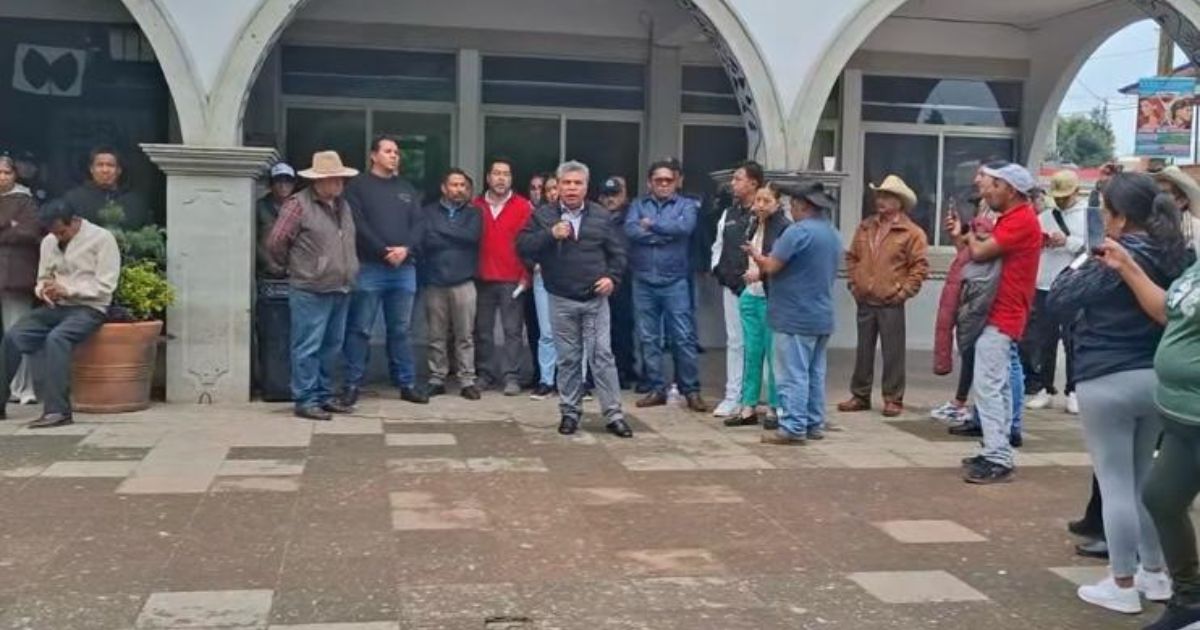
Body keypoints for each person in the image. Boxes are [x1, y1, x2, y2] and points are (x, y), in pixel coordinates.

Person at [1047, 172, 1190, 615]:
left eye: (1106, 211)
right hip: (1156, 378)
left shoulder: (1112, 257)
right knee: (1144, 478)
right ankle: (1156, 572)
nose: (1104, 219)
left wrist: (1084, 256)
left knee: (1114, 484)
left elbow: (1059, 299)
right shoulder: (1176, 254)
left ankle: (1122, 582)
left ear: (1122, 218)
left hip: (1106, 377)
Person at [1095, 228, 1200, 630]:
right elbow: (1167, 310)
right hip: (1180, 416)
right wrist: (1127, 266)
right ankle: (1189, 599)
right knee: (1161, 498)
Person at [517, 160, 631, 438]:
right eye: (566, 183)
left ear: (586, 187)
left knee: (602, 356)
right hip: (561, 298)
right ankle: (570, 412)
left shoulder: (601, 216)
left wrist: (612, 279)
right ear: (557, 186)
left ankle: (614, 414)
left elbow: (619, 254)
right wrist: (549, 234)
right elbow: (522, 245)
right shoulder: (543, 215)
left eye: (577, 183)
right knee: (568, 359)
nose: (571, 188)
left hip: (595, 299)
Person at [0, 198, 118, 428]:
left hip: (90, 308)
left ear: (74, 221)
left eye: (62, 232)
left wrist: (68, 289)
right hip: (57, 306)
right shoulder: (49, 241)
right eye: (53, 233)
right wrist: (44, 290)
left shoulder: (102, 239)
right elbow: (42, 278)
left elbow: (106, 286)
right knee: (14, 335)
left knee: (57, 338)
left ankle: (58, 411)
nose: (58, 237)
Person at [959, 163, 1042, 484]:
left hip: (1003, 313)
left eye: (994, 185)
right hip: (1003, 311)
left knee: (989, 386)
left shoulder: (1020, 219)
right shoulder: (1013, 218)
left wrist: (969, 236)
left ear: (1010, 189)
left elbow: (980, 253)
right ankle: (997, 448)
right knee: (999, 385)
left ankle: (998, 457)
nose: (987, 190)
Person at [744, 182, 842, 444]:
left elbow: (772, 266)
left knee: (792, 374)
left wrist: (756, 255)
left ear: (802, 205)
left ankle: (793, 427)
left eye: (792, 205)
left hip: (794, 315)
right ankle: (813, 423)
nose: (790, 209)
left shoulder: (797, 232)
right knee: (815, 373)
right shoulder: (832, 233)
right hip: (821, 314)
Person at [267, 151, 360, 422]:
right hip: (310, 288)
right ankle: (306, 399)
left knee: (332, 346)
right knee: (307, 346)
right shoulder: (297, 204)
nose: (339, 183)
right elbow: (276, 241)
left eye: (341, 178)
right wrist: (295, 266)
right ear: (318, 180)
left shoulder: (343, 205)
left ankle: (325, 395)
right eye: (333, 178)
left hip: (340, 286)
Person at [340, 136, 427, 406]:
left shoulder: (406, 188)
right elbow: (358, 224)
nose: (394, 156)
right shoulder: (358, 186)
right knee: (360, 329)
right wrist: (383, 251)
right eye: (388, 151)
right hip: (370, 267)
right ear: (373, 155)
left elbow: (419, 224)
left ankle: (407, 384)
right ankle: (352, 384)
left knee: (401, 330)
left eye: (396, 152)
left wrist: (406, 249)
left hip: (404, 269)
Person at [839, 174, 929, 417]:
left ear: (899, 202)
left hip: (891, 300)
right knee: (863, 350)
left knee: (893, 352)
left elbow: (919, 267)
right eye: (880, 195)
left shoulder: (911, 232)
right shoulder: (866, 226)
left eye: (887, 196)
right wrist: (854, 282)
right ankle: (860, 395)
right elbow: (852, 256)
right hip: (865, 297)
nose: (881, 200)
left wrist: (903, 292)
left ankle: (893, 398)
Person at [626, 161, 707, 412]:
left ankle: (691, 390)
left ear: (676, 182)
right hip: (643, 280)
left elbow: (685, 228)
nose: (663, 184)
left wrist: (651, 225)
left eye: (668, 180)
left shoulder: (686, 205)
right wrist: (663, 235)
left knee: (683, 337)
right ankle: (656, 389)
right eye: (658, 180)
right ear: (649, 182)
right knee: (648, 338)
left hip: (675, 281)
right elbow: (631, 230)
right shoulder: (638, 205)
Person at [725, 183, 789, 428]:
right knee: (751, 352)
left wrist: (761, 273)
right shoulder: (753, 224)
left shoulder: (783, 228)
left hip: (770, 295)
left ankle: (774, 407)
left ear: (777, 203)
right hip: (750, 294)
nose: (760, 205)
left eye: (766, 201)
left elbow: (781, 263)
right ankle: (748, 405)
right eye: (758, 200)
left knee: (773, 354)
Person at [1024, 169, 1088, 414]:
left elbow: (1094, 248)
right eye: (1057, 197)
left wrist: (1068, 242)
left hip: (1073, 284)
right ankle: (1045, 387)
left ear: (1075, 192)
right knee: (1044, 339)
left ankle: (1074, 390)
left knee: (1073, 339)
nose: (1060, 201)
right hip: (1045, 283)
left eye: (1065, 196)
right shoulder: (1045, 217)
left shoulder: (1087, 215)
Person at [421, 168, 482, 401]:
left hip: (463, 282)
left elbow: (471, 237)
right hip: (435, 281)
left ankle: (467, 380)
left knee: (465, 335)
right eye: (454, 185)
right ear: (444, 188)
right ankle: (437, 378)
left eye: (463, 186)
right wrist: (455, 235)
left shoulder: (474, 213)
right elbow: (426, 240)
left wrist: (441, 232)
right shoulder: (428, 212)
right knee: (436, 335)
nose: (459, 190)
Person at [473, 157, 533, 396]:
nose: (501, 178)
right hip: (482, 277)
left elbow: (528, 245)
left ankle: (511, 376)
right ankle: (485, 374)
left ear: (511, 179)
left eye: (506, 174)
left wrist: (526, 275)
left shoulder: (523, 206)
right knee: (482, 330)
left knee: (512, 331)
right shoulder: (475, 205)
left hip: (512, 279)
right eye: (496, 173)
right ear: (488, 177)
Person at [711, 161, 762, 418]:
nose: (733, 184)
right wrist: (718, 270)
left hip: (758, 287)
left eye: (738, 179)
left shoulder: (762, 214)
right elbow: (718, 246)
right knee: (735, 341)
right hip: (732, 286)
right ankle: (733, 395)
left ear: (753, 183)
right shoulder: (728, 214)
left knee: (759, 343)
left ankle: (755, 396)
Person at [0, 155, 41, 405]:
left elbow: (30, 232)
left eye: (7, 172)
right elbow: (14, 230)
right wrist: (9, 225)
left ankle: (22, 389)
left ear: (15, 175)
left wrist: (10, 228)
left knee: (17, 333)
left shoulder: (25, 200)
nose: (2, 177)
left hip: (15, 275)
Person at [599, 175, 638, 388]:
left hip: (626, 278)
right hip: (600, 278)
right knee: (603, 329)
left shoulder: (632, 216)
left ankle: (625, 369)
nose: (610, 199)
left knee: (624, 325)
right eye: (606, 195)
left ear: (624, 195)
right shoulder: (595, 217)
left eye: (615, 194)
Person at [62, 146, 146, 225]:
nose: (105, 170)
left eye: (110, 165)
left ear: (119, 170)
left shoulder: (134, 202)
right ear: (91, 169)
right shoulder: (74, 199)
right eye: (100, 165)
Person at [256, 162, 296, 279]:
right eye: (278, 181)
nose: (283, 186)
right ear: (271, 185)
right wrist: (269, 264)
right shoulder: (259, 207)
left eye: (288, 181)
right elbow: (252, 240)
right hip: (265, 272)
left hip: (295, 272)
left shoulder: (299, 207)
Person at [1152, 165, 1200, 256]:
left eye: (1164, 193)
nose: (1157, 198)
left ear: (1181, 201)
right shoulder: (1149, 224)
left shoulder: (1196, 229)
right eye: (1155, 192)